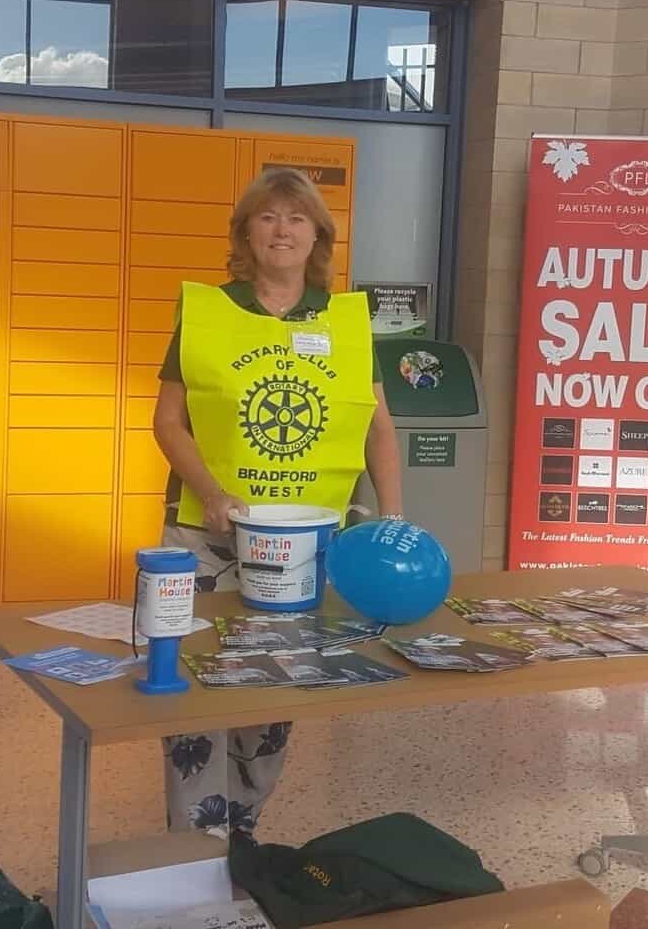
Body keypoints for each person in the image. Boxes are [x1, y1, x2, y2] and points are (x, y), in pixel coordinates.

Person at [152, 167, 404, 835]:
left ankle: (244, 828)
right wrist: (209, 490)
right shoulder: (208, 313)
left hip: (302, 547)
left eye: (296, 217)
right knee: (196, 682)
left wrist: (394, 515)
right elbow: (168, 422)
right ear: (246, 233)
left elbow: (379, 425)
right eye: (267, 217)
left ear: (317, 234)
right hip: (206, 538)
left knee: (273, 686)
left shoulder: (346, 322)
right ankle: (195, 842)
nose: (282, 229)